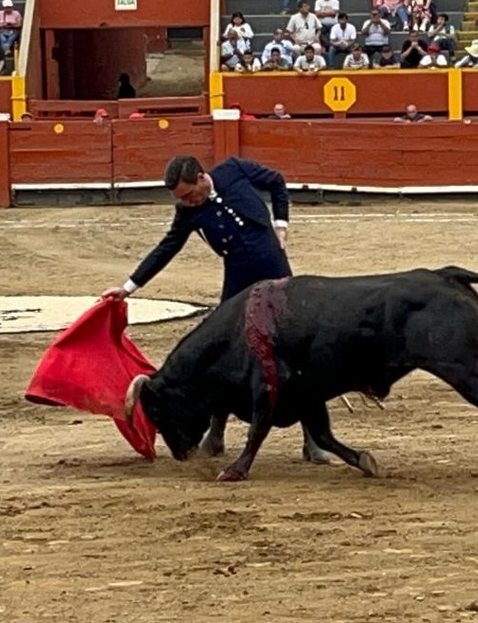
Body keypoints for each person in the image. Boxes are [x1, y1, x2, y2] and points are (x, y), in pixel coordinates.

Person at [101, 155, 336, 464]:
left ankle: (313, 441)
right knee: (222, 356)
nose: (186, 202)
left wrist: (281, 223)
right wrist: (129, 287)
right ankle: (216, 434)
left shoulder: (233, 170)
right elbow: (167, 247)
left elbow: (276, 180)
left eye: (188, 194)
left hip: (277, 274)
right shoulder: (187, 212)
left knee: (296, 355)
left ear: (201, 178)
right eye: (180, 198)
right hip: (238, 285)